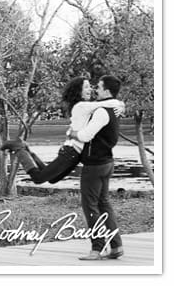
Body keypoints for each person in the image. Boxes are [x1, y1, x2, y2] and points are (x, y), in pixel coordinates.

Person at [1, 77, 123, 185]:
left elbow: (103, 105)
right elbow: (108, 103)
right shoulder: (81, 106)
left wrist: (119, 105)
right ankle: (19, 149)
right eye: (86, 87)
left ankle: (27, 151)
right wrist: (120, 104)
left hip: (76, 154)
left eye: (90, 87)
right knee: (38, 178)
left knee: (52, 179)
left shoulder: (86, 106)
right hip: (71, 152)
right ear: (78, 91)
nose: (91, 89)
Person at [71, 75, 125, 261]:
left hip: (95, 165)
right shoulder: (113, 108)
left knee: (90, 206)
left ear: (107, 91)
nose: (96, 90)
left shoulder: (103, 111)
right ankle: (116, 246)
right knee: (103, 204)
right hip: (106, 162)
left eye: (99, 87)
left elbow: (85, 136)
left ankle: (97, 248)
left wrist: (73, 132)